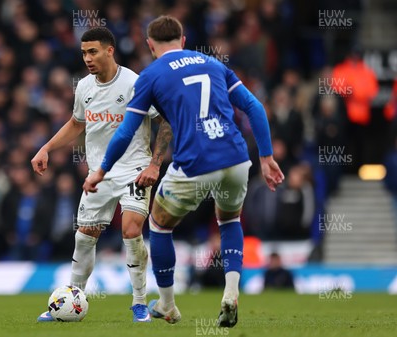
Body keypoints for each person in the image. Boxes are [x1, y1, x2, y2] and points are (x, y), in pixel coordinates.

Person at [83, 16, 284, 327]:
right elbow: (255, 107)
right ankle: (231, 293)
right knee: (229, 218)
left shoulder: (150, 76)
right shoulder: (214, 64)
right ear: (184, 40)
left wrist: (101, 170)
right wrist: (267, 158)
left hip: (195, 162)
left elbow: (126, 131)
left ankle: (166, 304)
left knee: (160, 225)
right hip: (236, 157)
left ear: (150, 46)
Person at [31, 27, 172, 322]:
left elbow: (166, 123)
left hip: (134, 170)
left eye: (93, 51)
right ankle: (71, 300)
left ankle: (139, 303)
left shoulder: (136, 82)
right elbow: (75, 123)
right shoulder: (84, 87)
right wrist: (46, 148)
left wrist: (155, 164)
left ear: (110, 50)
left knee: (131, 231)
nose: (87, 58)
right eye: (83, 53)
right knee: (84, 238)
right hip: (99, 174)